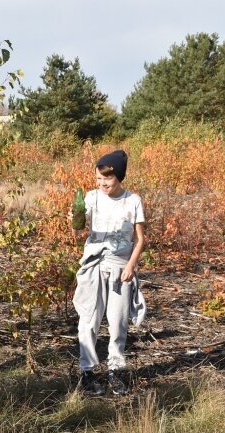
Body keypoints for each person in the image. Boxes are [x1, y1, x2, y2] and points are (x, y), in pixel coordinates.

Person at [72, 150, 146, 396]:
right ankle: (87, 373)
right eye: (98, 179)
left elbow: (140, 239)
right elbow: (78, 231)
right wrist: (74, 220)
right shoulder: (91, 198)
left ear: (119, 177)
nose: (103, 183)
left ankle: (116, 371)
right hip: (93, 264)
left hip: (119, 266)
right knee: (89, 319)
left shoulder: (132, 200)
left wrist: (130, 266)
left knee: (118, 322)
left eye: (108, 179)